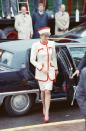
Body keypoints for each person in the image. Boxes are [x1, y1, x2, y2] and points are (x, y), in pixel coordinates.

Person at [30, 27, 58, 122]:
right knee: (42, 91)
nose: (47, 38)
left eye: (48, 36)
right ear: (41, 36)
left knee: (47, 92)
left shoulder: (52, 44)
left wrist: (56, 68)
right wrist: (41, 67)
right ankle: (43, 106)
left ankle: (47, 113)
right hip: (41, 72)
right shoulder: (35, 45)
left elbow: (54, 57)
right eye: (45, 36)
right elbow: (32, 60)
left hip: (50, 71)